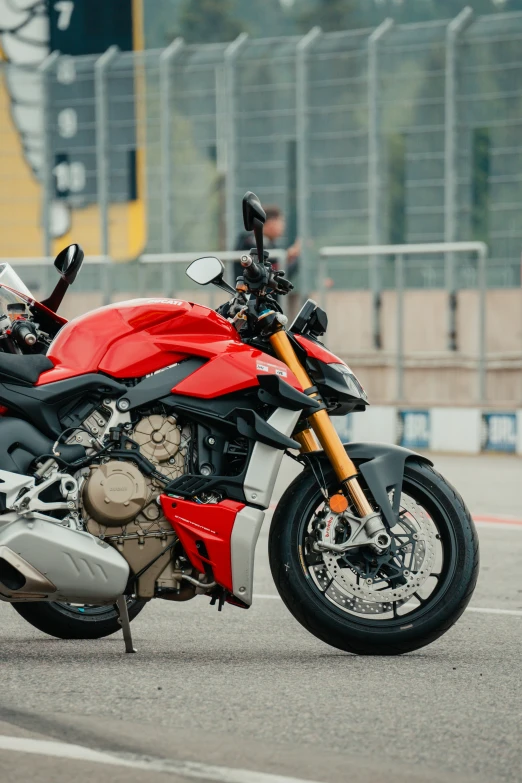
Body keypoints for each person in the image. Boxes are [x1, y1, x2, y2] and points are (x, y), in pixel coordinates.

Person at [233, 204, 300, 282]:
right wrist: (285, 257)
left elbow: (277, 275)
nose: (283, 226)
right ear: (269, 223)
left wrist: (291, 258)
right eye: (280, 221)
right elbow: (262, 274)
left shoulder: (271, 245)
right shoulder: (248, 243)